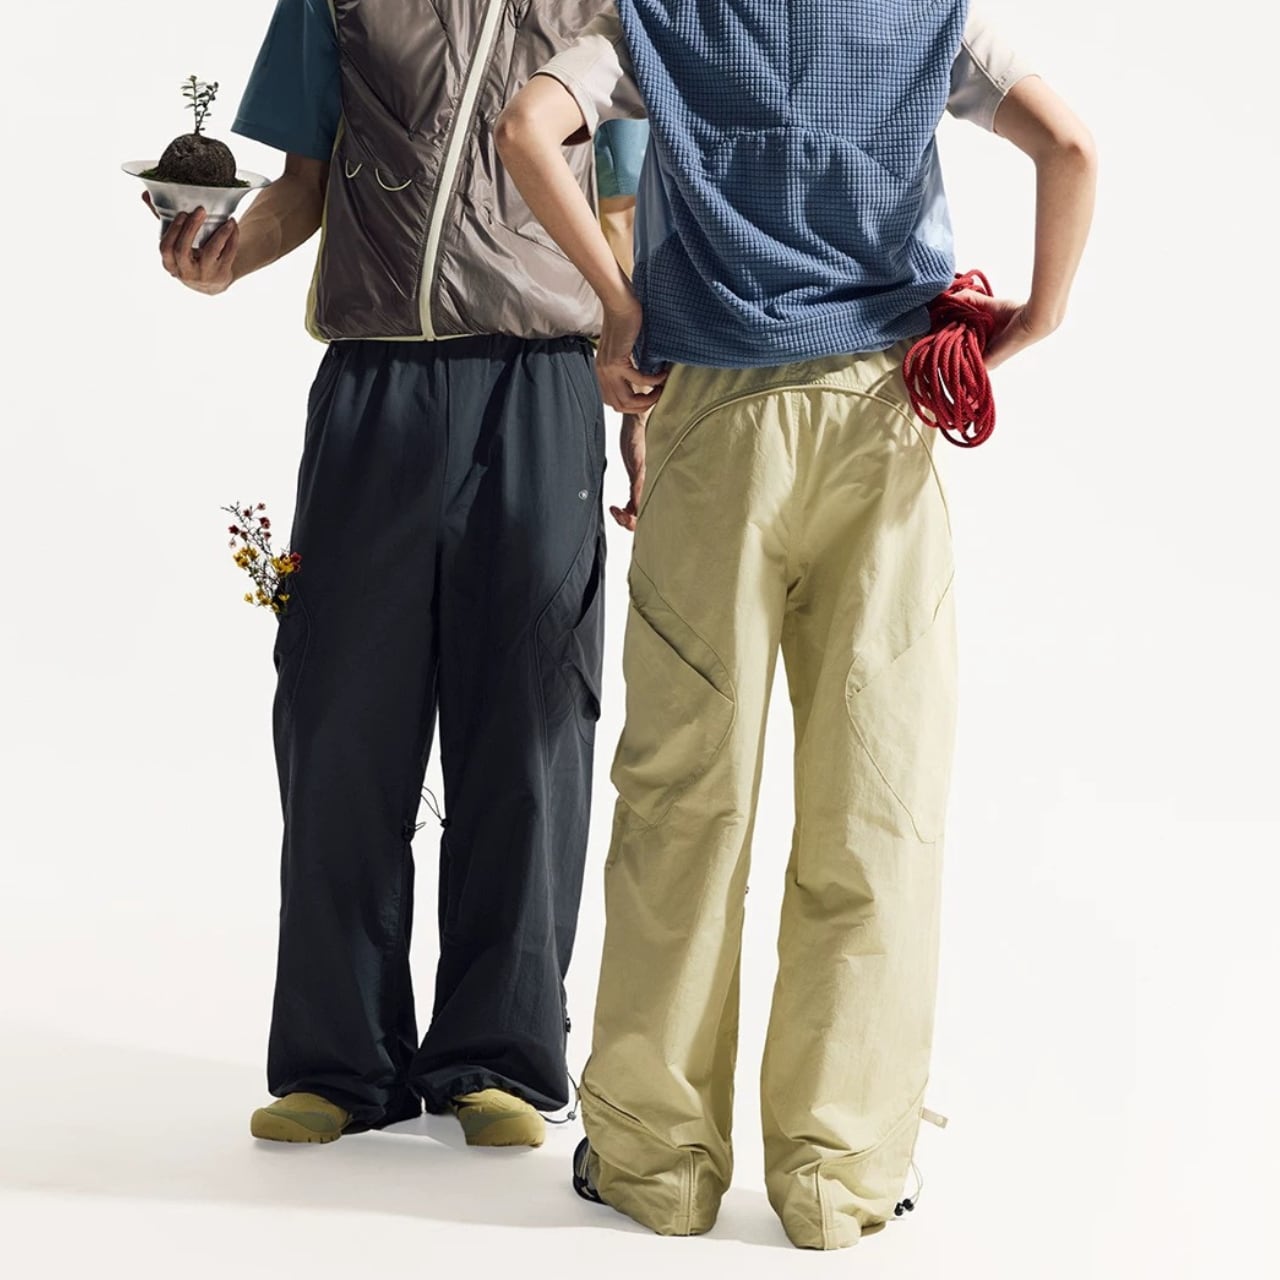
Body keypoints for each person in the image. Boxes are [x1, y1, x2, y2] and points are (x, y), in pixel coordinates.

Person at [496, 0, 1096, 1246]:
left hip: (713, 427)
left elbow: (525, 129)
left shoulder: (655, 17)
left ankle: (654, 1161)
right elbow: (1070, 148)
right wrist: (1036, 316)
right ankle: (839, 1172)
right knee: (874, 800)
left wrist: (617, 305)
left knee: (682, 800)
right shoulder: (928, 16)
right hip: (881, 421)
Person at [147, 0, 653, 1150]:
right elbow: (303, 184)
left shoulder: (603, 9)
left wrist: (637, 394)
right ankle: (340, 1060)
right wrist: (228, 260)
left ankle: (498, 1054)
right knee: (337, 717)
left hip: (542, 378)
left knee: (528, 719)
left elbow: (619, 203)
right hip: (372, 380)